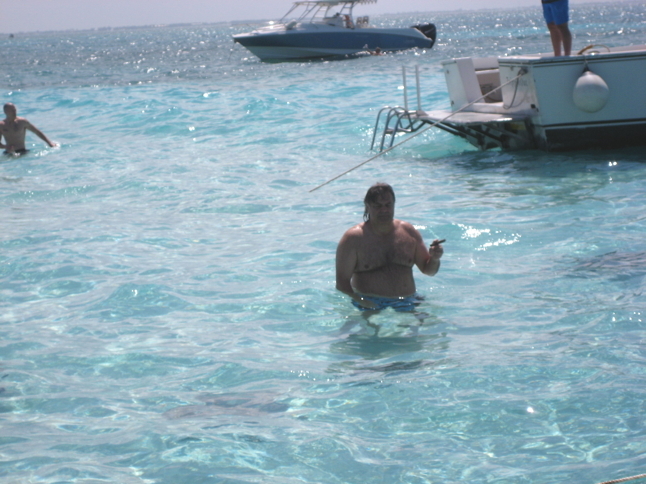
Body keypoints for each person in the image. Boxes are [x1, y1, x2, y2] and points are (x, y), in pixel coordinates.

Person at [335, 183, 443, 315]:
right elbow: (342, 283)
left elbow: (429, 271)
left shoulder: (408, 232)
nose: (384, 210)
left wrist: (435, 258)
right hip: (369, 303)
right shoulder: (353, 238)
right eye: (378, 206)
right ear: (367, 207)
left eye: (388, 205)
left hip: (408, 301)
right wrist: (362, 301)